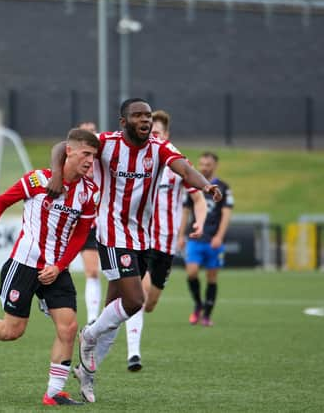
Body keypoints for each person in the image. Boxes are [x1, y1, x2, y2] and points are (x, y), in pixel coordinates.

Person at [46, 98, 222, 403]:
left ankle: (87, 372)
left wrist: (206, 186)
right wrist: (56, 174)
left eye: (148, 115)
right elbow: (64, 146)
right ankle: (88, 336)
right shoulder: (106, 143)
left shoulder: (158, 147)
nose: (145, 120)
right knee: (135, 300)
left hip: (142, 237)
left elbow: (184, 169)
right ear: (123, 121)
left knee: (116, 309)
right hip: (112, 233)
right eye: (138, 115)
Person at [0, 128, 100, 406]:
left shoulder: (89, 191)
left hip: (56, 270)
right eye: (86, 154)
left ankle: (54, 392)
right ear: (70, 152)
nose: (91, 160)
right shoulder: (39, 179)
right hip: (23, 265)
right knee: (12, 331)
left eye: (94, 156)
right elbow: (3, 201)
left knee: (68, 328)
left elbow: (81, 233)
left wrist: (61, 264)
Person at [123, 110, 207, 372]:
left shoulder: (175, 164)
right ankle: (133, 353)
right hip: (142, 240)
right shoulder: (134, 162)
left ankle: (104, 324)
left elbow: (198, 198)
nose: (153, 135)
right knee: (139, 294)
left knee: (149, 305)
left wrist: (200, 222)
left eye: (158, 132)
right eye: (150, 131)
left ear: (166, 136)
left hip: (167, 244)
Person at [181, 151, 233, 327]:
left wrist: (219, 236)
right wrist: (180, 235)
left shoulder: (224, 188)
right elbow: (186, 211)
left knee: (212, 277)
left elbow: (226, 214)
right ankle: (198, 304)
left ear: (215, 166)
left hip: (213, 240)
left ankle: (207, 315)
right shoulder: (193, 185)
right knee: (192, 272)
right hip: (195, 237)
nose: (204, 167)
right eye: (202, 164)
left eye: (207, 165)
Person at [76, 121, 102, 324]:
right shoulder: (72, 160)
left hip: (108, 222)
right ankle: (93, 317)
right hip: (84, 223)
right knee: (92, 271)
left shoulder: (105, 159)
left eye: (93, 132)